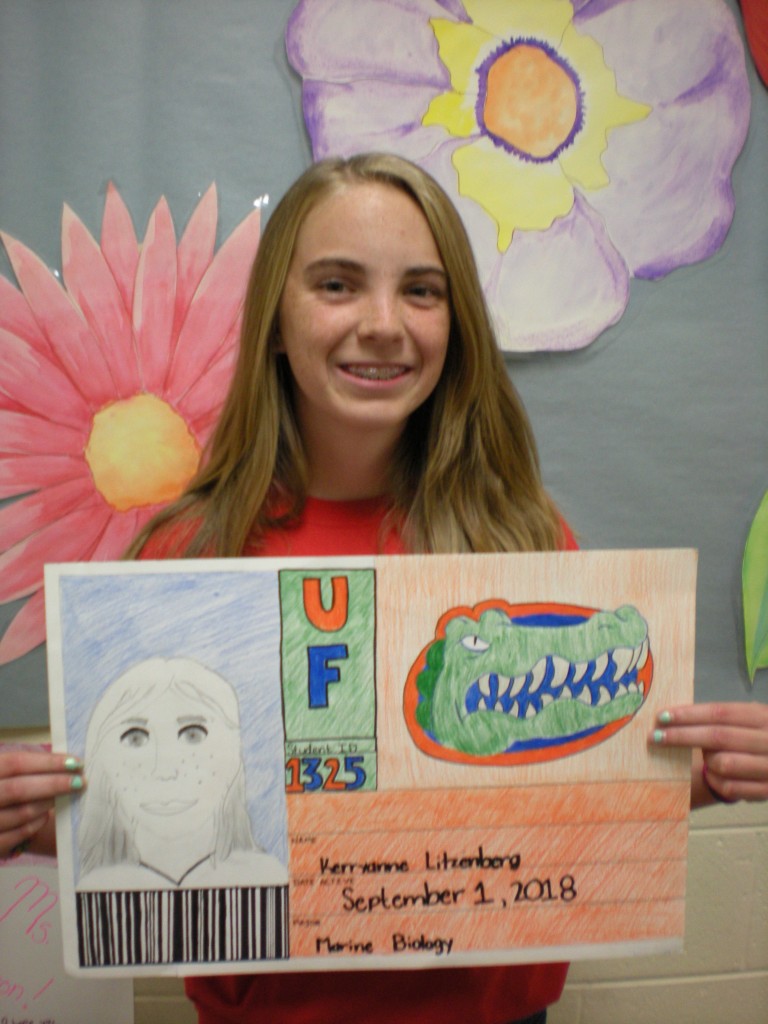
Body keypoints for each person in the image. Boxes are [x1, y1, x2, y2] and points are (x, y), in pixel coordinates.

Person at [1, 153, 767, 1023]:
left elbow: (560, 806)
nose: (383, 323)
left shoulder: (520, 541)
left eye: (422, 291)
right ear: (276, 325)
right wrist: (51, 828)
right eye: (337, 284)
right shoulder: (186, 554)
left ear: (456, 325)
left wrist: (679, 783)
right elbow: (160, 829)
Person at [76, 656, 288, 890]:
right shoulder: (95, 886)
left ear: (234, 754)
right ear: (102, 764)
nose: (164, 771)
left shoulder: (266, 877)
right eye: (135, 738)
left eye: (193, 735)